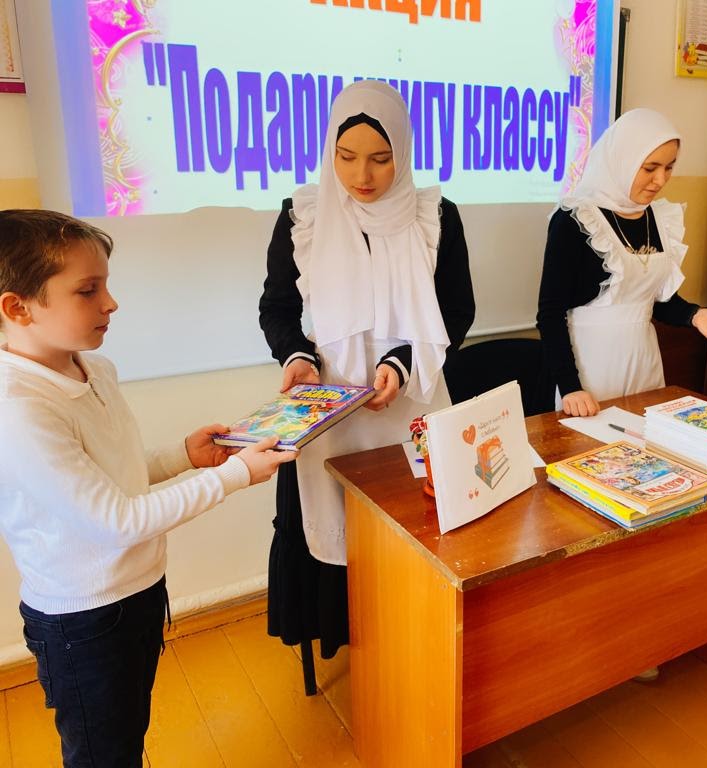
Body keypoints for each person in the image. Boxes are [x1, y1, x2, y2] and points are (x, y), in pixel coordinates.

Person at [0, 209, 294, 767]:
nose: (110, 303)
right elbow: (116, 521)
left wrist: (184, 455)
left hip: (137, 591)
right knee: (102, 754)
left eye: (106, 285)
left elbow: (117, 473)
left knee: (127, 734)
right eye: (88, 290)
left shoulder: (95, 369)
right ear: (18, 308)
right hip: (83, 620)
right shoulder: (18, 409)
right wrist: (235, 475)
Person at [258, 80, 474, 660]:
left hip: (414, 393)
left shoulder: (435, 216)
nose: (362, 175)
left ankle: (412, 652)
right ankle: (361, 650)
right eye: (346, 156)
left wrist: (401, 362)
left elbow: (457, 311)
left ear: (402, 151)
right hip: (330, 402)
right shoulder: (303, 215)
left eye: (381, 158)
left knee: (419, 526)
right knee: (335, 525)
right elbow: (277, 308)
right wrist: (298, 356)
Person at [536, 107, 707, 418]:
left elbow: (654, 299)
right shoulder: (575, 218)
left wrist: (696, 315)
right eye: (650, 168)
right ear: (622, 160)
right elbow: (550, 314)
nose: (660, 180)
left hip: (644, 360)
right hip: (590, 367)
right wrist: (570, 386)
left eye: (669, 168)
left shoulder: (659, 217)